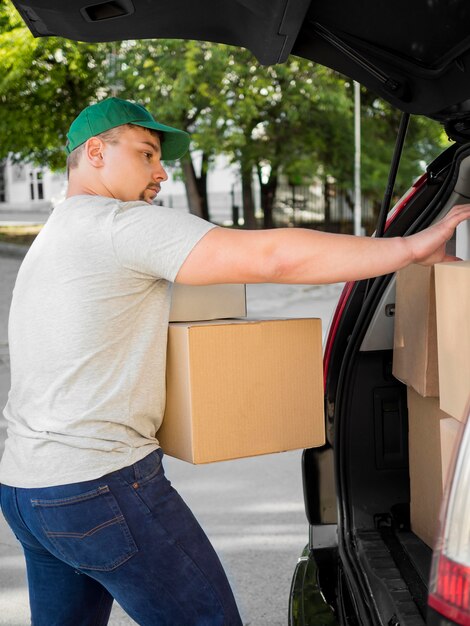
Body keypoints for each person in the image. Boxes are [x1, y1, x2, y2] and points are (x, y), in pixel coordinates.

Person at [0, 97, 469, 626]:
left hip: (26, 490)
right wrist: (409, 248)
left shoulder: (56, 234)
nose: (161, 171)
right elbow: (274, 258)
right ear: (95, 152)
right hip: (98, 486)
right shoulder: (118, 225)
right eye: (147, 152)